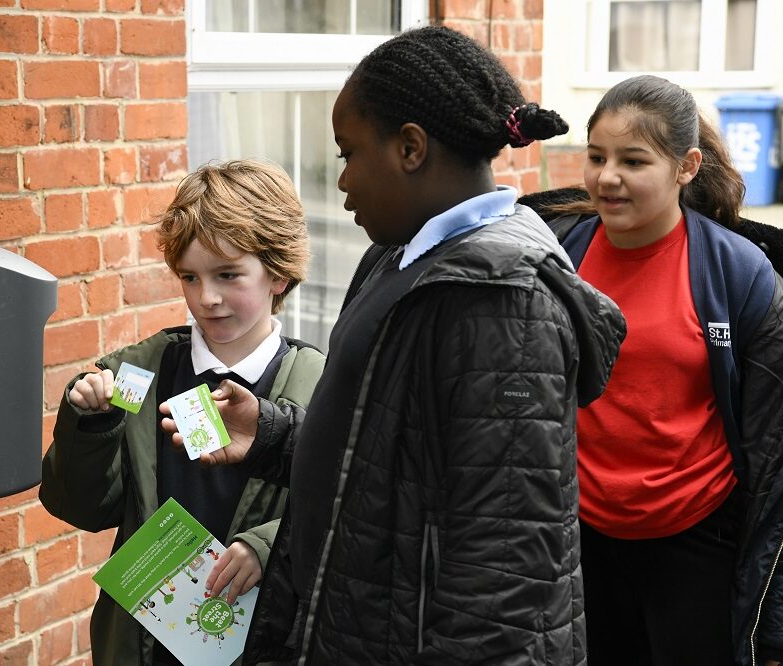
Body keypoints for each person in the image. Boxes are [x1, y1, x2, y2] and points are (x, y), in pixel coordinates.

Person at [162, 26, 626, 664]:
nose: (341, 179)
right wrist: (271, 435)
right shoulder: (400, 257)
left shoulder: (503, 305)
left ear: (410, 148)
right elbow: (391, 448)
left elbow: (508, 570)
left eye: (349, 153)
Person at [529, 75, 783, 666]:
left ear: (686, 166)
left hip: (695, 545)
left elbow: (773, 450)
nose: (607, 177)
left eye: (633, 160)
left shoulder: (739, 276)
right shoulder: (558, 257)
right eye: (597, 157)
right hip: (577, 540)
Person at [38, 160, 326, 665]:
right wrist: (92, 427)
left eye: (228, 274)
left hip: (264, 640)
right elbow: (81, 507)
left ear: (278, 273)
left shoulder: (322, 384)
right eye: (189, 277)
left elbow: (355, 514)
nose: (206, 298)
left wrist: (267, 545)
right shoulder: (137, 376)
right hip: (143, 647)